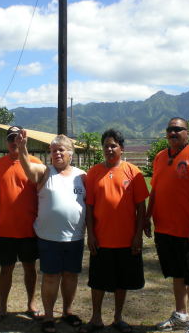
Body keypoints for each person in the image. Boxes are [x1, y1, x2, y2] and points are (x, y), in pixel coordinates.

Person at [145, 117, 189, 333]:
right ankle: (180, 315)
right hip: (164, 229)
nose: (173, 133)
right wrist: (147, 216)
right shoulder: (159, 157)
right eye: (169, 130)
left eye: (178, 129)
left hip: (188, 230)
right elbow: (154, 190)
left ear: (187, 133)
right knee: (177, 274)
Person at [16, 130, 86, 333]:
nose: (56, 154)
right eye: (53, 150)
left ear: (70, 153)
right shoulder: (45, 172)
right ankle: (48, 316)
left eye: (61, 150)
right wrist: (23, 149)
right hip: (49, 238)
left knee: (71, 276)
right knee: (51, 277)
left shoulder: (82, 176)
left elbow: (89, 206)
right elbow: (28, 167)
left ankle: (67, 312)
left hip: (75, 237)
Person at [81, 129, 149, 333]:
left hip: (127, 240)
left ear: (121, 148)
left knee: (122, 282)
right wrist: (90, 234)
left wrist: (138, 236)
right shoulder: (93, 173)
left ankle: (118, 318)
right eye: (106, 146)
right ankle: (96, 319)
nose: (109, 149)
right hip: (101, 240)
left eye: (113, 145)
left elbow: (141, 207)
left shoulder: (133, 172)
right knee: (98, 282)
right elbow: (90, 207)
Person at [0, 126, 42, 324]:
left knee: (30, 268)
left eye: (17, 138)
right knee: (5, 270)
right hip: (6, 229)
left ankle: (31, 304)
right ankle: (2, 308)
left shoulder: (35, 163)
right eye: (11, 138)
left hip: (30, 228)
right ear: (6, 142)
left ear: (24, 140)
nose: (14, 142)